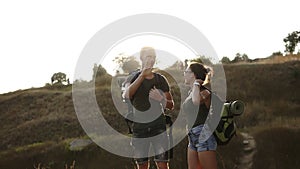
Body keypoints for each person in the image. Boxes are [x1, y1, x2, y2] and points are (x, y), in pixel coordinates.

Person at [125, 47, 174, 169]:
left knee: (162, 165)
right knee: (142, 166)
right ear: (141, 58)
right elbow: (127, 95)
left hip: (159, 127)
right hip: (139, 129)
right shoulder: (132, 78)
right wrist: (142, 75)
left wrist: (161, 99)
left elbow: (171, 105)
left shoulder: (161, 79)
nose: (151, 59)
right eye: (148, 56)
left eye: (153, 57)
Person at [182, 62, 217, 169]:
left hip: (203, 134)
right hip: (192, 136)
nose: (184, 74)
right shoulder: (191, 93)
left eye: (187, 72)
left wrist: (196, 85)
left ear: (194, 74)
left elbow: (196, 102)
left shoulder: (205, 92)